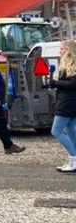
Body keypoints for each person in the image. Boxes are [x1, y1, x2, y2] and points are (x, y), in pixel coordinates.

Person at [48, 40, 76, 173]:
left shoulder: (72, 65)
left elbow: (72, 84)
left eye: (62, 49)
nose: (60, 51)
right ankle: (73, 160)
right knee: (71, 130)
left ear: (69, 50)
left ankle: (74, 158)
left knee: (56, 131)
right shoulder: (67, 64)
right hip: (69, 101)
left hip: (67, 102)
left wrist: (56, 83)